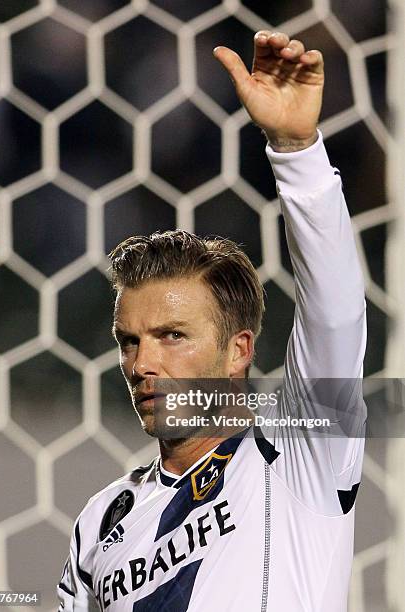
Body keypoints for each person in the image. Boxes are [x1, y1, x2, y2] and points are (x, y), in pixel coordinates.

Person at [57, 30, 366, 611]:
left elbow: (337, 313)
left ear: (238, 349)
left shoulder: (298, 455)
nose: (142, 364)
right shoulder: (100, 522)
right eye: (129, 341)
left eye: (172, 336)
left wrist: (296, 151)